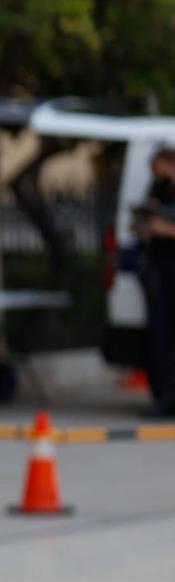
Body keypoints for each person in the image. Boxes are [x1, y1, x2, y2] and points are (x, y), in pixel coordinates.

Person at [132, 144, 175, 412]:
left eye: (157, 167)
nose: (154, 173)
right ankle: (165, 397)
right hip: (158, 271)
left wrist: (165, 229)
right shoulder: (157, 189)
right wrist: (145, 229)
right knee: (160, 338)